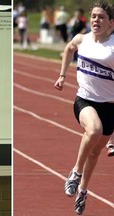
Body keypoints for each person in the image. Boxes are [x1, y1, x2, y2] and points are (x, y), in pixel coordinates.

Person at [54, 0, 114, 214]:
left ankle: (83, 191)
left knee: (95, 153)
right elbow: (69, 48)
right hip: (85, 100)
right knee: (94, 129)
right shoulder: (82, 39)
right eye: (94, 16)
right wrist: (62, 75)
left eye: (102, 17)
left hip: (110, 108)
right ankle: (75, 172)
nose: (96, 20)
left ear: (111, 23)